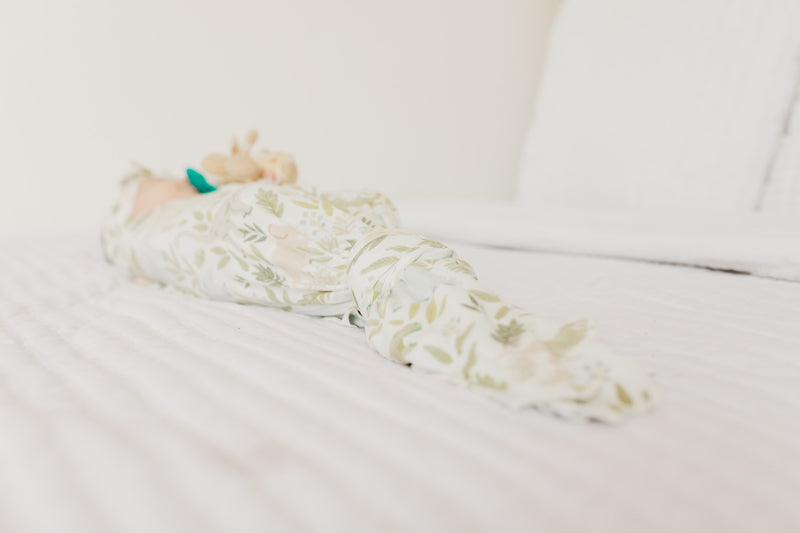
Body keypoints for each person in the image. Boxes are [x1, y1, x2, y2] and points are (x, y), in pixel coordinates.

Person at [101, 167, 655, 423]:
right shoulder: (145, 238)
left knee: (278, 221)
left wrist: (261, 182)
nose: (181, 183)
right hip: (256, 245)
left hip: (303, 241)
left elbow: (247, 211)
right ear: (135, 213)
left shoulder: (190, 214)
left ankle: (391, 274)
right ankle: (391, 276)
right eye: (165, 184)